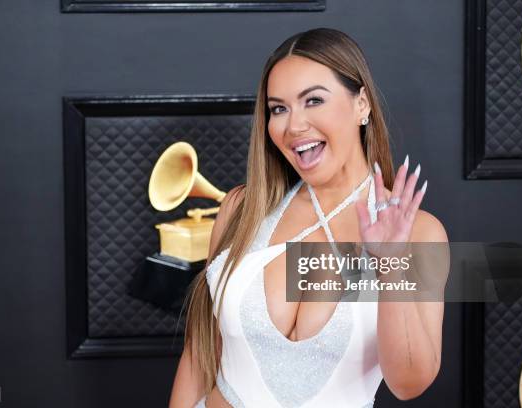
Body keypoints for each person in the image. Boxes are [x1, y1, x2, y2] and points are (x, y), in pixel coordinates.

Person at [169, 28, 448, 408]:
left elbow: (408, 383)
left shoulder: (420, 232)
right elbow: (200, 351)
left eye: (313, 100)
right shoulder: (242, 209)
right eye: (278, 108)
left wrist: (390, 263)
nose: (293, 126)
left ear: (361, 104)